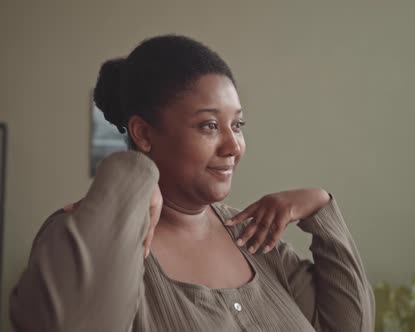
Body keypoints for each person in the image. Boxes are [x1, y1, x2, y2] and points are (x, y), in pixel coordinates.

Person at [10, 35, 375, 332]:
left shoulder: (257, 239)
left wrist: (320, 207)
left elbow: (350, 326)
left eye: (238, 125)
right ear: (143, 133)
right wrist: (136, 173)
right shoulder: (86, 236)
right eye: (209, 126)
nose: (233, 146)